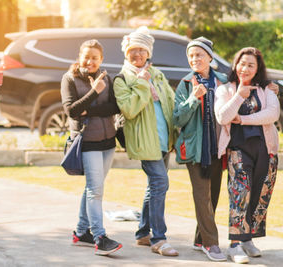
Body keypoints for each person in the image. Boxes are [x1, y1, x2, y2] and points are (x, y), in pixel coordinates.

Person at [113, 26, 178, 257]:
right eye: (133, 50)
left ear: (148, 52)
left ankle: (142, 233)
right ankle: (159, 239)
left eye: (142, 50)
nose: (137, 54)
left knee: (154, 186)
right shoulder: (122, 79)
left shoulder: (157, 74)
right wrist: (141, 83)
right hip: (144, 142)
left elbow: (170, 103)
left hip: (163, 140)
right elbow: (129, 110)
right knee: (161, 184)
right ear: (126, 52)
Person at [214, 47, 279, 264]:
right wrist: (239, 97)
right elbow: (223, 116)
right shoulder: (225, 90)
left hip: (265, 149)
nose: (245, 68)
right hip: (239, 149)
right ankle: (234, 244)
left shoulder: (266, 90)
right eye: (242, 63)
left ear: (258, 68)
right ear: (235, 65)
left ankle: (248, 239)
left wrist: (243, 120)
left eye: (251, 65)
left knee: (261, 195)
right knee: (239, 194)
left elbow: (272, 114)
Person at [60, 39, 122, 256]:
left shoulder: (107, 78)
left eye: (95, 57)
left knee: (92, 188)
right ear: (79, 56)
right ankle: (99, 237)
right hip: (87, 143)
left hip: (108, 142)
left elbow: (115, 106)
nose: (90, 61)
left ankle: (80, 231)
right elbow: (72, 110)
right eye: (86, 56)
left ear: (101, 59)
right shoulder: (69, 79)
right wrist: (94, 92)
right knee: (95, 190)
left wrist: (91, 110)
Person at [173, 37, 228, 261]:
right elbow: (177, 119)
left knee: (213, 196)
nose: (195, 59)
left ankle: (199, 238)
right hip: (195, 150)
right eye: (191, 55)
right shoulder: (186, 84)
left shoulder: (223, 81)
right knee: (202, 195)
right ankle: (211, 244)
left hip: (219, 147)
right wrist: (193, 100)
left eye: (199, 54)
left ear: (210, 57)